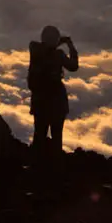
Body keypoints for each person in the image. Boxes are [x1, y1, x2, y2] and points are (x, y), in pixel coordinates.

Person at [27, 26, 78, 154]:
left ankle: (36, 166)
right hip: (57, 104)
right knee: (56, 139)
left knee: (39, 135)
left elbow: (46, 47)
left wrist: (58, 41)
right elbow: (73, 66)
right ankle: (56, 168)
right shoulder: (58, 55)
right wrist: (70, 45)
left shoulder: (34, 49)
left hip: (39, 102)